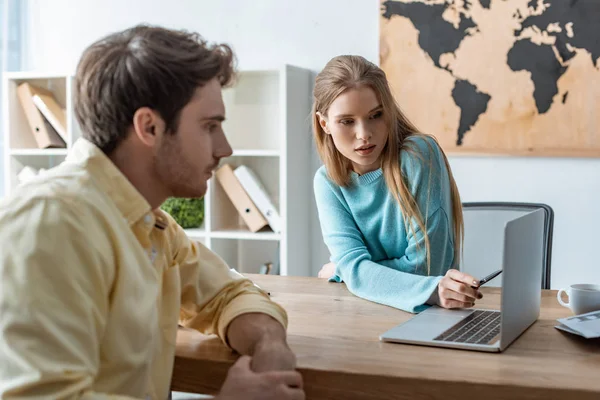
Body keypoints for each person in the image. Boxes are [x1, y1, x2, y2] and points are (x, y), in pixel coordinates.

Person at [0, 25, 304, 400]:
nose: (224, 148)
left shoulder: (151, 224)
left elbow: (228, 293)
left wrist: (269, 344)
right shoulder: (52, 222)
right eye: (210, 127)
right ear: (149, 127)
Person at [312, 55, 483, 313]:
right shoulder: (327, 182)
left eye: (375, 115)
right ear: (324, 124)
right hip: (362, 311)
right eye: (347, 121)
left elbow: (427, 269)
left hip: (427, 315)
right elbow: (356, 268)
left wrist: (346, 271)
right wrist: (352, 270)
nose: (364, 134)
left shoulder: (418, 155)